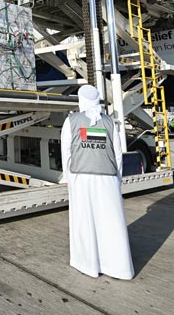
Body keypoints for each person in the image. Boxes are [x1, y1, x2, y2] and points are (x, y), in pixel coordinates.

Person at [60, 85, 134, 280]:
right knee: (111, 222)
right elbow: (117, 154)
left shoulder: (71, 120)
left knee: (84, 221)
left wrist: (69, 178)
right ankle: (118, 268)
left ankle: (88, 264)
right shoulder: (110, 122)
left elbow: (66, 152)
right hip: (107, 177)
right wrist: (117, 178)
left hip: (81, 176)